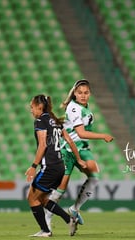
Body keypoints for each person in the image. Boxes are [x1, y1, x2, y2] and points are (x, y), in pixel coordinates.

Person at [46, 79, 114, 228]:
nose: (83, 95)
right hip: (67, 150)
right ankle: (47, 223)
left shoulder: (85, 107)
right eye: (80, 93)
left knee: (95, 176)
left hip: (82, 149)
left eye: (86, 92)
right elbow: (81, 133)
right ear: (75, 94)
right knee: (61, 188)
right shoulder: (74, 108)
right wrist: (103, 135)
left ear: (89, 94)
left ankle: (74, 209)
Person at [25, 94, 87, 237]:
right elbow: (71, 142)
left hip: (50, 166)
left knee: (32, 198)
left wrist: (33, 166)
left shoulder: (40, 121)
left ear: (40, 107)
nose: (31, 110)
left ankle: (45, 231)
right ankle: (69, 219)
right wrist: (78, 159)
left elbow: (43, 145)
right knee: (42, 199)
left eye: (32, 107)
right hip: (60, 166)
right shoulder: (55, 121)